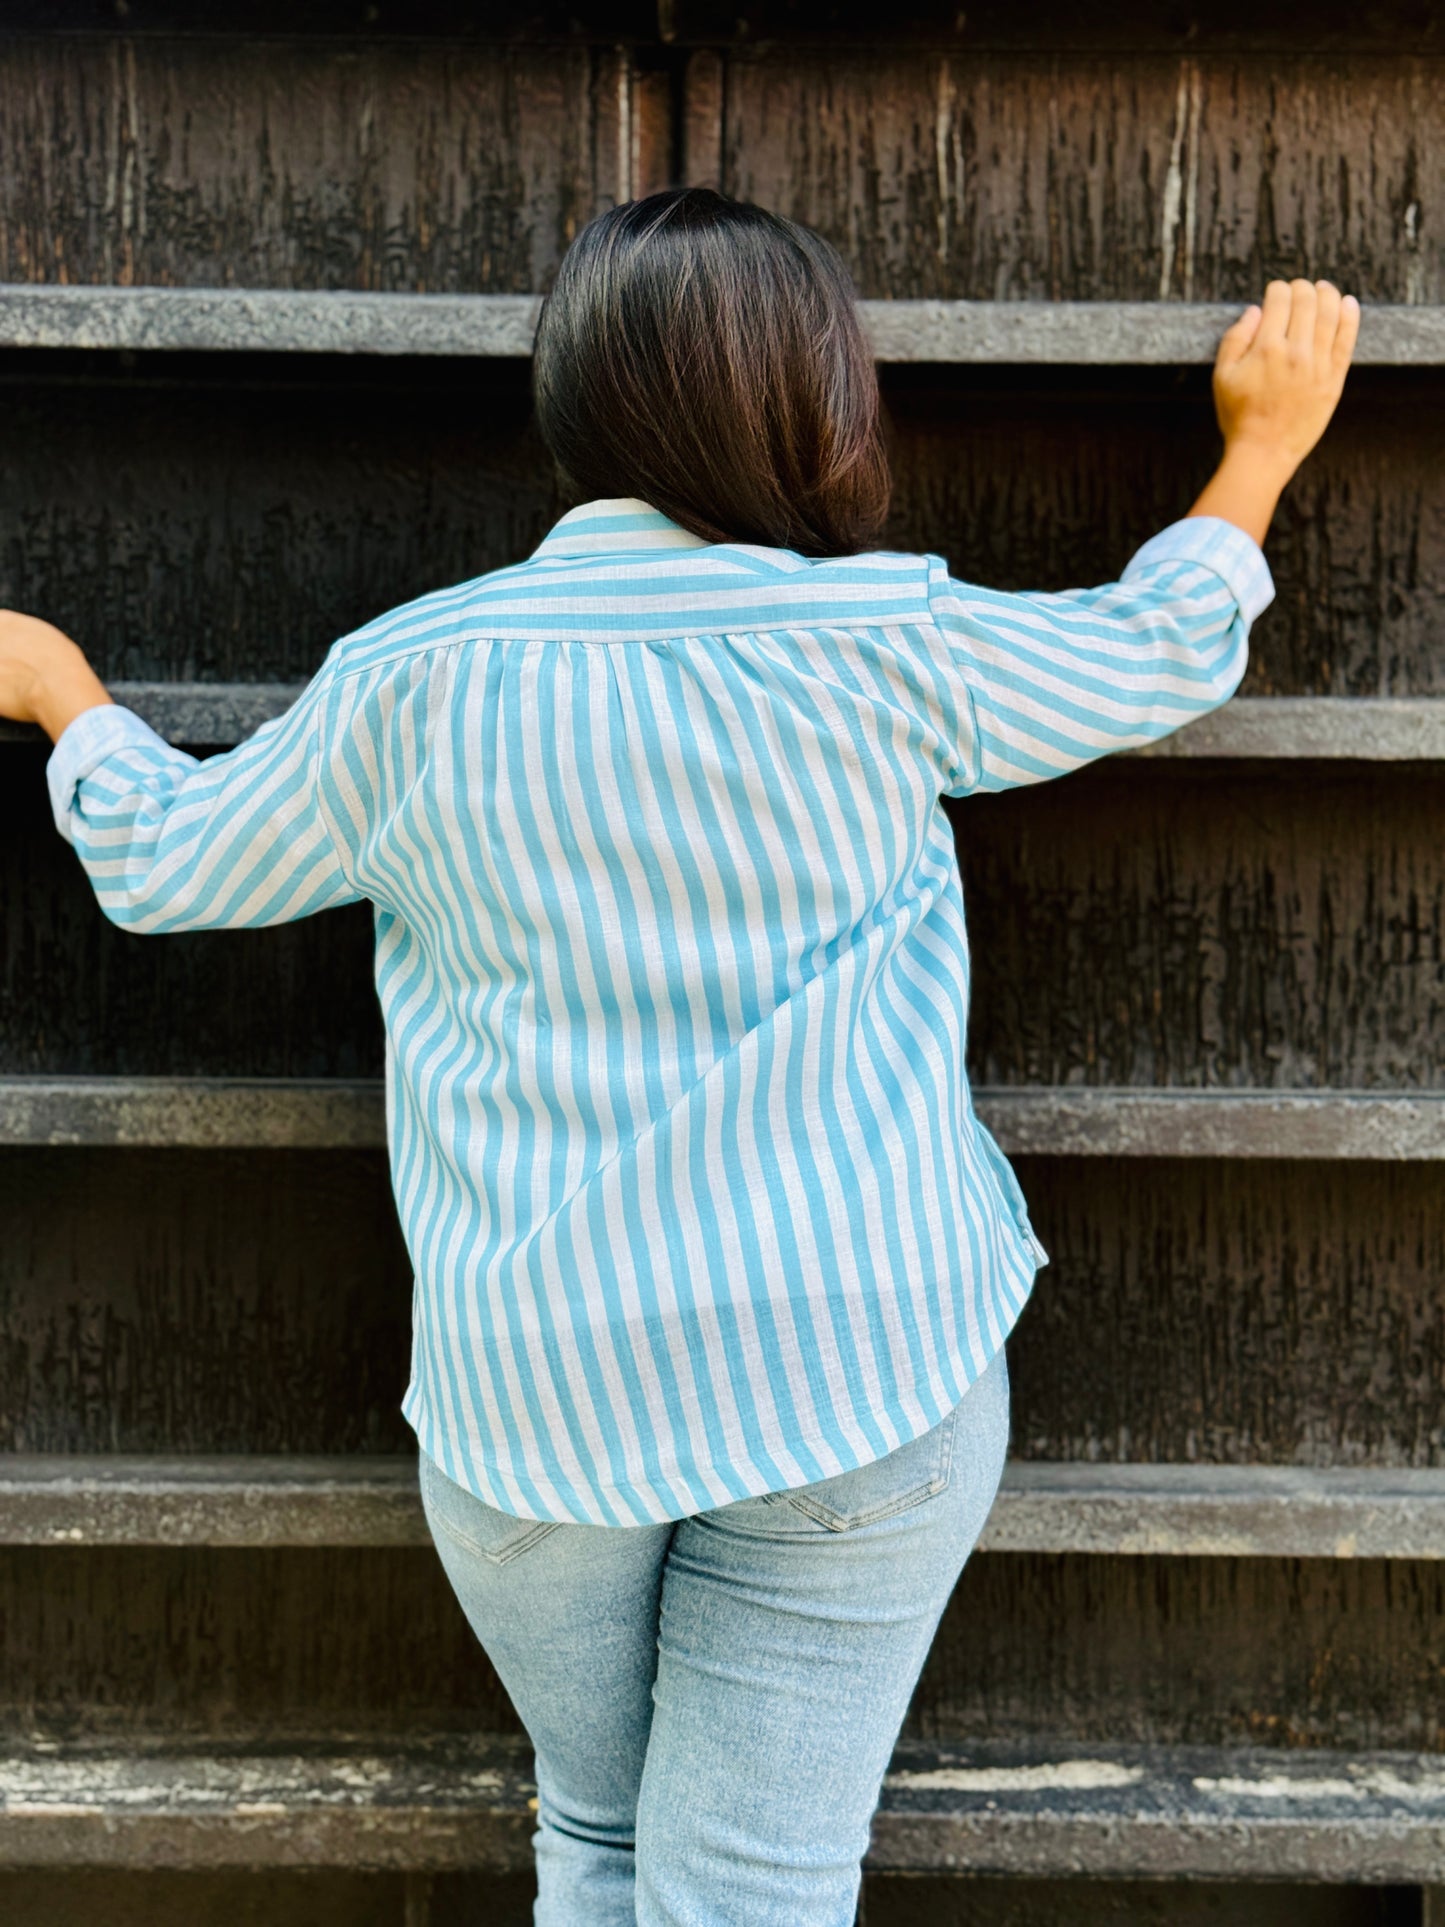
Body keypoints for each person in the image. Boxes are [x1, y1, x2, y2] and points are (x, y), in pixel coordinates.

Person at [1, 189, 1358, 1926]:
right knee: (749, 1889)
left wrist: (62, 691)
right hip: (851, 1367)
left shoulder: (410, 680)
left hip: (532, 1411)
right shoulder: (875, 640)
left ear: (575, 406)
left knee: (601, 1835)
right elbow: (1158, 645)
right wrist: (1257, 450)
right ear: (821, 401)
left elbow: (169, 863)